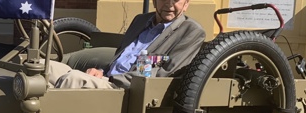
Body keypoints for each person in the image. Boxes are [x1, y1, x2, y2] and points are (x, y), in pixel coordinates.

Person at [49, 0, 205, 89]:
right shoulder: (140, 20)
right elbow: (121, 58)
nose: (169, 4)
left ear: (186, 4)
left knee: (73, 79)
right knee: (45, 68)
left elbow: (164, 74)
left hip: (127, 91)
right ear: (154, 1)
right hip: (106, 79)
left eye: (177, 0)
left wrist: (112, 79)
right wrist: (102, 72)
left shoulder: (190, 31)